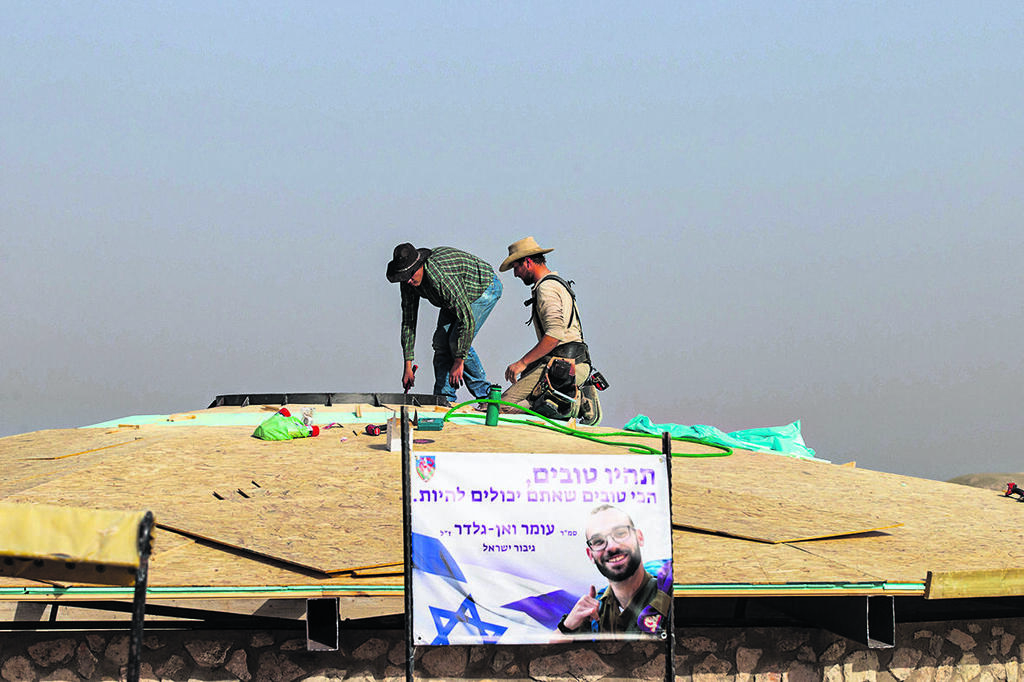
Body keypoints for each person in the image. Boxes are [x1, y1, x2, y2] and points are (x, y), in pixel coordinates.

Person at [498, 237, 601, 425]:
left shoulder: (546, 288)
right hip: (569, 363)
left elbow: (554, 336)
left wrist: (522, 363)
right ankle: (563, 397)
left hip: (565, 367)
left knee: (503, 407)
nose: (515, 274)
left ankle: (577, 402)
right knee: (526, 401)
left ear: (527, 262)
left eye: (516, 267)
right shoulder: (556, 284)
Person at [386, 243, 502, 404]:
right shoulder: (408, 283)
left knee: (456, 341)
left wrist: (459, 361)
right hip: (453, 298)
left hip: (482, 288)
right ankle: (444, 399)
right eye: (405, 277)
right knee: (441, 342)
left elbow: (466, 320)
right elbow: (408, 322)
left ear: (421, 266)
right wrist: (407, 364)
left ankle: (487, 397)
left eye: (412, 275)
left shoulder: (440, 277)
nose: (409, 280)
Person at [557, 504, 672, 636]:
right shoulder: (594, 612)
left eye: (620, 533)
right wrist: (567, 627)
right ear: (591, 555)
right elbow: (550, 651)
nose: (612, 546)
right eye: (599, 541)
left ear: (639, 537)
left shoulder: (669, 594)